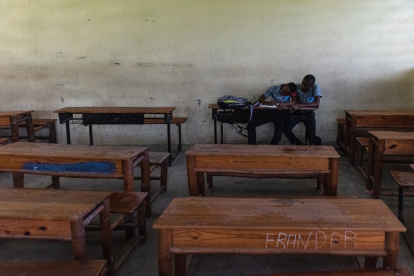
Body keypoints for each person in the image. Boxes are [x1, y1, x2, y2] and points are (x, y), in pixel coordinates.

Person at [283, 74, 322, 145]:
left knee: (311, 138)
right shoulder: (297, 87)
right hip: (297, 113)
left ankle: (318, 146)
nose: (303, 86)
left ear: (312, 85)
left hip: (309, 114)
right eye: (303, 83)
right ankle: (298, 144)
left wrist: (298, 105)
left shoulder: (315, 87)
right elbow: (294, 100)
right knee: (286, 129)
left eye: (306, 85)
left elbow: (317, 103)